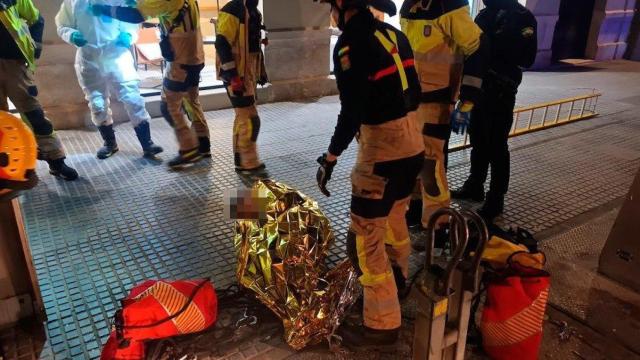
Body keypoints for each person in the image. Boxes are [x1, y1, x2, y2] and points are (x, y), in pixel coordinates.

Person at [315, 0, 424, 346]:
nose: (329, 13)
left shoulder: (350, 44)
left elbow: (351, 112)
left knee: (364, 240)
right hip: (413, 143)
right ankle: (399, 281)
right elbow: (415, 90)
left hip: (383, 151)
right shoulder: (393, 34)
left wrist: (330, 157)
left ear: (342, 5)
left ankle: (381, 323)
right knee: (395, 220)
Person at [399, 0, 489, 241]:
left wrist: (468, 99)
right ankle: (418, 211)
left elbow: (478, 47)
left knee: (430, 163)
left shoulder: (448, 4)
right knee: (413, 159)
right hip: (413, 99)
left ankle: (438, 225)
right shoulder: (410, 5)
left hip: (437, 100)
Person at [91, 0, 211, 169]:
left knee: (169, 107)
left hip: (180, 62)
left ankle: (189, 149)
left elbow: (136, 15)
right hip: (196, 56)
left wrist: (105, 9)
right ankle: (203, 144)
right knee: (192, 101)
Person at [451, 0, 537, 220]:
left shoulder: (522, 17)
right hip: (477, 89)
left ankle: (496, 198)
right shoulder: (484, 15)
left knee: (497, 146)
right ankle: (475, 184)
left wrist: (495, 45)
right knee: (478, 140)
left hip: (501, 91)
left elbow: (527, 58)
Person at [55, 0, 163, 160]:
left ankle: (147, 143)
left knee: (133, 99)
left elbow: (130, 21)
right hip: (89, 57)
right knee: (97, 103)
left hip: (116, 54)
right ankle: (110, 143)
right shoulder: (73, 2)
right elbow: (62, 25)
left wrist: (128, 35)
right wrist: (71, 35)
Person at [0, 0, 78, 180]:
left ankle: (56, 160)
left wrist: (36, 48)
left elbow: (37, 20)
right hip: (13, 64)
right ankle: (8, 169)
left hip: (15, 65)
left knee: (34, 114)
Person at [215, 0, 268, 173]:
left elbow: (250, 48)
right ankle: (249, 163)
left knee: (242, 117)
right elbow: (222, 43)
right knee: (251, 118)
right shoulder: (233, 9)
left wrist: (260, 71)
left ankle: (241, 160)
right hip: (236, 74)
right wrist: (233, 77)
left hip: (246, 72)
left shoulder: (252, 10)